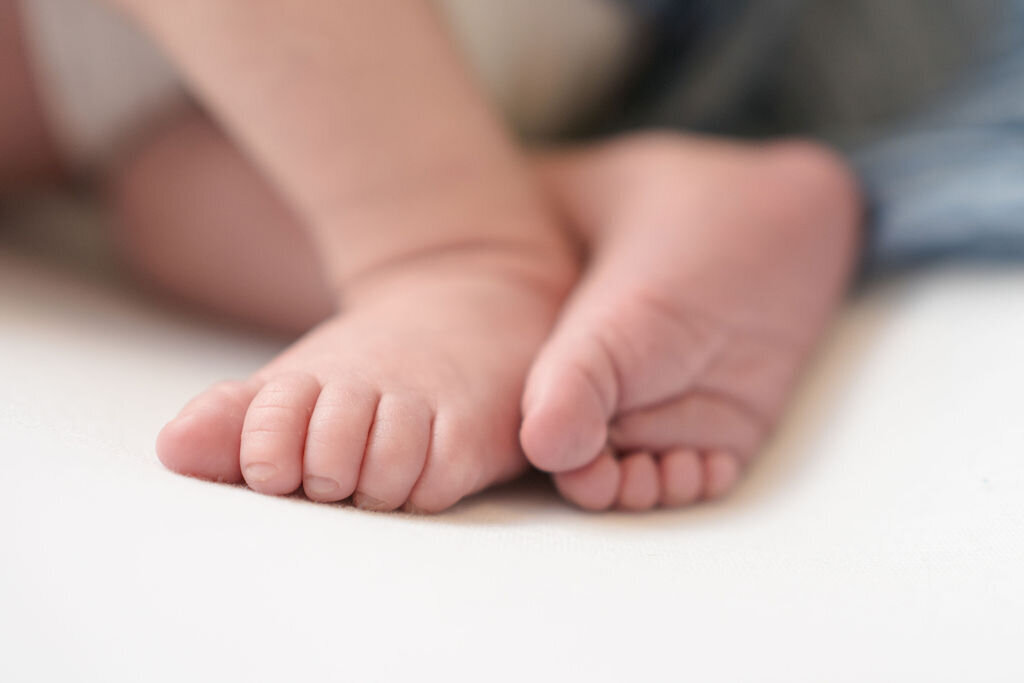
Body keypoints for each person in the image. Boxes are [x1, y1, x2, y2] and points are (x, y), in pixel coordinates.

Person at [1, 0, 1019, 512]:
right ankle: (610, 201)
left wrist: (435, 245)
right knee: (165, 204)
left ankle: (451, 247)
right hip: (228, 103)